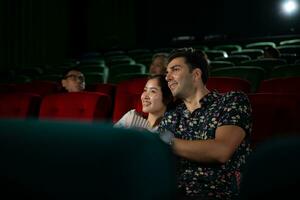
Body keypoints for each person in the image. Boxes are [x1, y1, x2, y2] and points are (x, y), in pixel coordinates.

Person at [158, 47, 252, 200]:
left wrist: (163, 140)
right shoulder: (172, 116)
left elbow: (221, 151)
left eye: (175, 69)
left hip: (219, 191)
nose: (167, 77)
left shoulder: (231, 101)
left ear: (195, 74)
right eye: (166, 72)